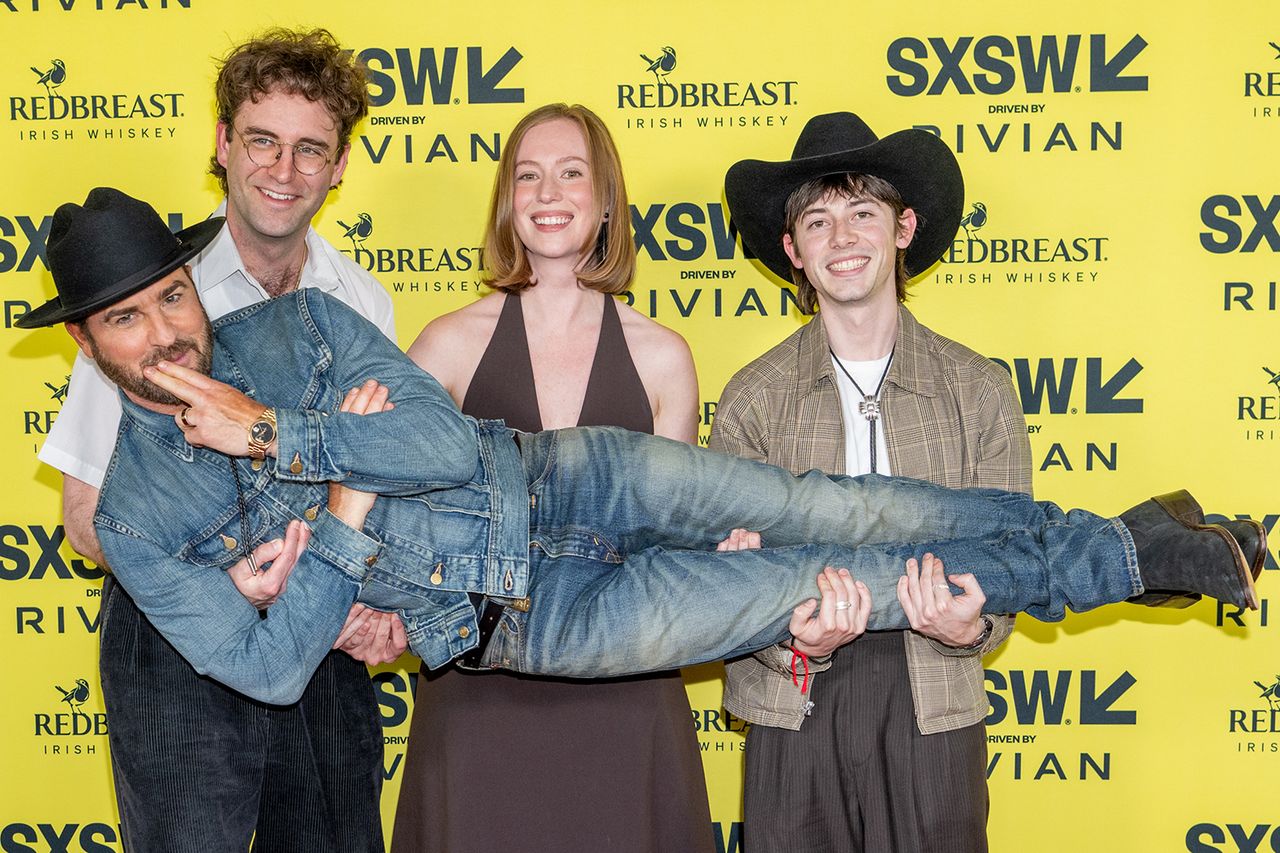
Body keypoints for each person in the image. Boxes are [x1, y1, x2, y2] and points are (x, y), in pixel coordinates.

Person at [20, 187, 1265, 713]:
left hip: (570, 471)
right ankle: (1136, 553)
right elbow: (267, 668)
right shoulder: (133, 517)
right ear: (84, 340)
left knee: (844, 508)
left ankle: (1126, 548)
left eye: (171, 295)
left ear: (192, 281)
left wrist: (277, 435)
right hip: (530, 622)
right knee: (831, 579)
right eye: (127, 319)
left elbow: (439, 442)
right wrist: (344, 497)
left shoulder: (294, 327)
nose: (167, 333)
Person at [33, 30, 397, 853]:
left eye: (311, 149)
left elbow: (380, 480)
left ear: (340, 166)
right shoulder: (143, 294)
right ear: (225, 144)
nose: (283, 169)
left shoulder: (361, 301)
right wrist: (219, 582)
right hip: (178, 644)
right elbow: (86, 517)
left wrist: (376, 601)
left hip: (323, 633)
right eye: (263, 140)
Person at [393, 104, 714, 852]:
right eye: (527, 175)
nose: (548, 193)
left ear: (605, 200)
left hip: (626, 692)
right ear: (507, 200)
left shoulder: (663, 356)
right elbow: (396, 524)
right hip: (477, 695)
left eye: (572, 173)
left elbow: (671, 550)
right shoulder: (445, 345)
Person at [712, 111, 1027, 852]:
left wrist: (973, 627)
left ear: (903, 227)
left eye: (862, 213)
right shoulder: (751, 400)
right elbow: (721, 579)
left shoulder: (980, 390)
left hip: (934, 696)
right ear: (793, 250)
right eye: (817, 222)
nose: (842, 238)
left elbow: (1016, 561)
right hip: (792, 698)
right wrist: (793, 641)